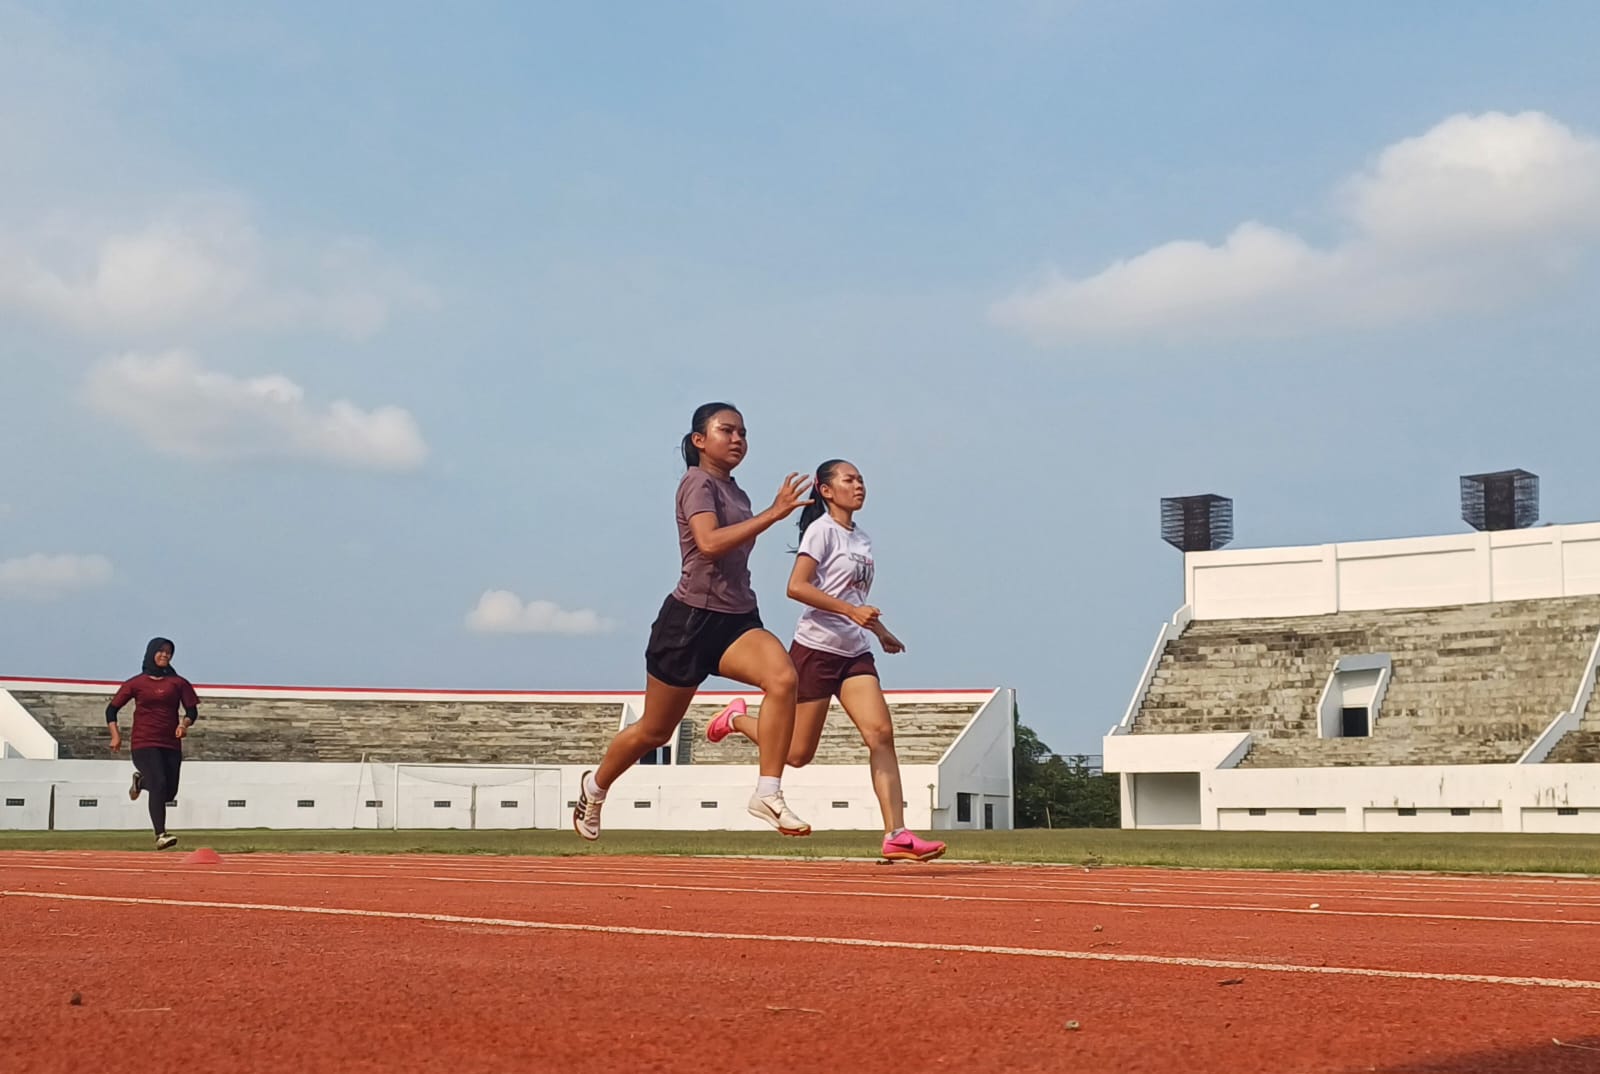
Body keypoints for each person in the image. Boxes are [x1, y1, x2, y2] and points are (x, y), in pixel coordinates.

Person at [573, 402, 813, 841]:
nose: (738, 439)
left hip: (737, 618)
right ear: (700, 440)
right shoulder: (696, 483)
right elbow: (708, 544)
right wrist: (772, 514)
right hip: (688, 623)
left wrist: (767, 514)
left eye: (743, 432)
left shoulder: (737, 493)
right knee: (655, 731)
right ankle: (596, 785)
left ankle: (767, 791)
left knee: (782, 678)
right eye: (727, 431)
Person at [707, 459, 947, 862]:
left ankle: (897, 834)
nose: (859, 486)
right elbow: (796, 587)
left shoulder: (863, 539)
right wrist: (852, 613)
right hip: (815, 650)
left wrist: (879, 631)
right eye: (849, 479)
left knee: (881, 734)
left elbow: (853, 598)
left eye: (862, 480)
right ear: (826, 489)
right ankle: (735, 719)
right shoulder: (820, 532)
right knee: (797, 754)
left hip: (855, 653)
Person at [106, 637, 200, 851]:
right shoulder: (136, 683)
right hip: (144, 741)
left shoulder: (178, 683)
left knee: (168, 792)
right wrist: (115, 736)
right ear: (151, 653)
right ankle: (161, 834)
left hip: (171, 742)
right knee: (158, 782)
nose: (165, 655)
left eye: (169, 652)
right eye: (161, 651)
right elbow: (111, 710)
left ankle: (140, 782)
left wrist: (184, 725)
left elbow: (192, 711)